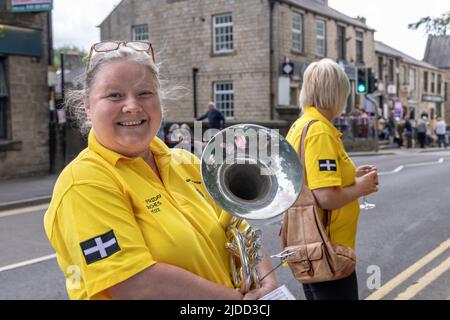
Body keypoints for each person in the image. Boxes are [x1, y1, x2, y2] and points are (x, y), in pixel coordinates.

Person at [43, 41, 276, 300]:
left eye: (144, 93)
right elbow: (135, 283)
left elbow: (238, 227)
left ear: (159, 100)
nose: (132, 106)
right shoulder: (84, 183)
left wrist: (265, 279)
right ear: (87, 106)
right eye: (114, 95)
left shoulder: (187, 162)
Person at [286, 58, 379, 300]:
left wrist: (351, 176)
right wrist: (361, 187)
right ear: (337, 93)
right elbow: (325, 197)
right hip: (328, 249)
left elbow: (311, 179)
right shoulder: (319, 131)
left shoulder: (300, 125)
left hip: (310, 245)